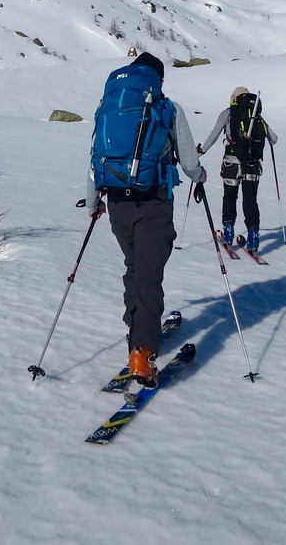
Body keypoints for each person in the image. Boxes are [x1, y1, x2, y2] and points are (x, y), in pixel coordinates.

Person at [86, 52, 207, 387]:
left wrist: (95, 201)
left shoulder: (108, 107)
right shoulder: (168, 108)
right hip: (153, 202)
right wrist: (201, 175)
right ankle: (142, 353)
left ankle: (135, 328)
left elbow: (95, 156)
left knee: (134, 268)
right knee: (149, 277)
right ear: (160, 80)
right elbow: (188, 161)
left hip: (117, 204)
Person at [199, 87, 277, 254]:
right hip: (252, 164)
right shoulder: (256, 116)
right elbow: (274, 138)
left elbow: (214, 134)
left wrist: (202, 151)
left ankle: (227, 234)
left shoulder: (227, 114)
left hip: (231, 163)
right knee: (250, 200)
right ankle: (253, 238)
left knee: (229, 197)